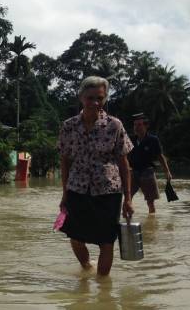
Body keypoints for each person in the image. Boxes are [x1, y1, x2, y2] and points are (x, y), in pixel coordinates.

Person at [57, 76, 134, 276]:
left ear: (105, 98)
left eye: (100, 98)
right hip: (77, 188)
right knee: (75, 236)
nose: (95, 103)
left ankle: (103, 288)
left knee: (106, 241)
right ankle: (87, 268)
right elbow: (65, 161)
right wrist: (64, 193)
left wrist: (128, 198)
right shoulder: (69, 126)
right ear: (81, 97)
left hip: (108, 190)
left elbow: (124, 164)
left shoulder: (114, 125)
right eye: (90, 98)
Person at [128, 113, 172, 213]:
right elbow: (124, 156)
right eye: (135, 125)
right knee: (128, 197)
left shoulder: (153, 140)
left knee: (150, 202)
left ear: (146, 126)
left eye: (139, 125)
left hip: (147, 172)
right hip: (132, 172)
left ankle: (152, 223)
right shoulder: (130, 139)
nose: (136, 127)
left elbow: (160, 156)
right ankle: (128, 220)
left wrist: (167, 171)